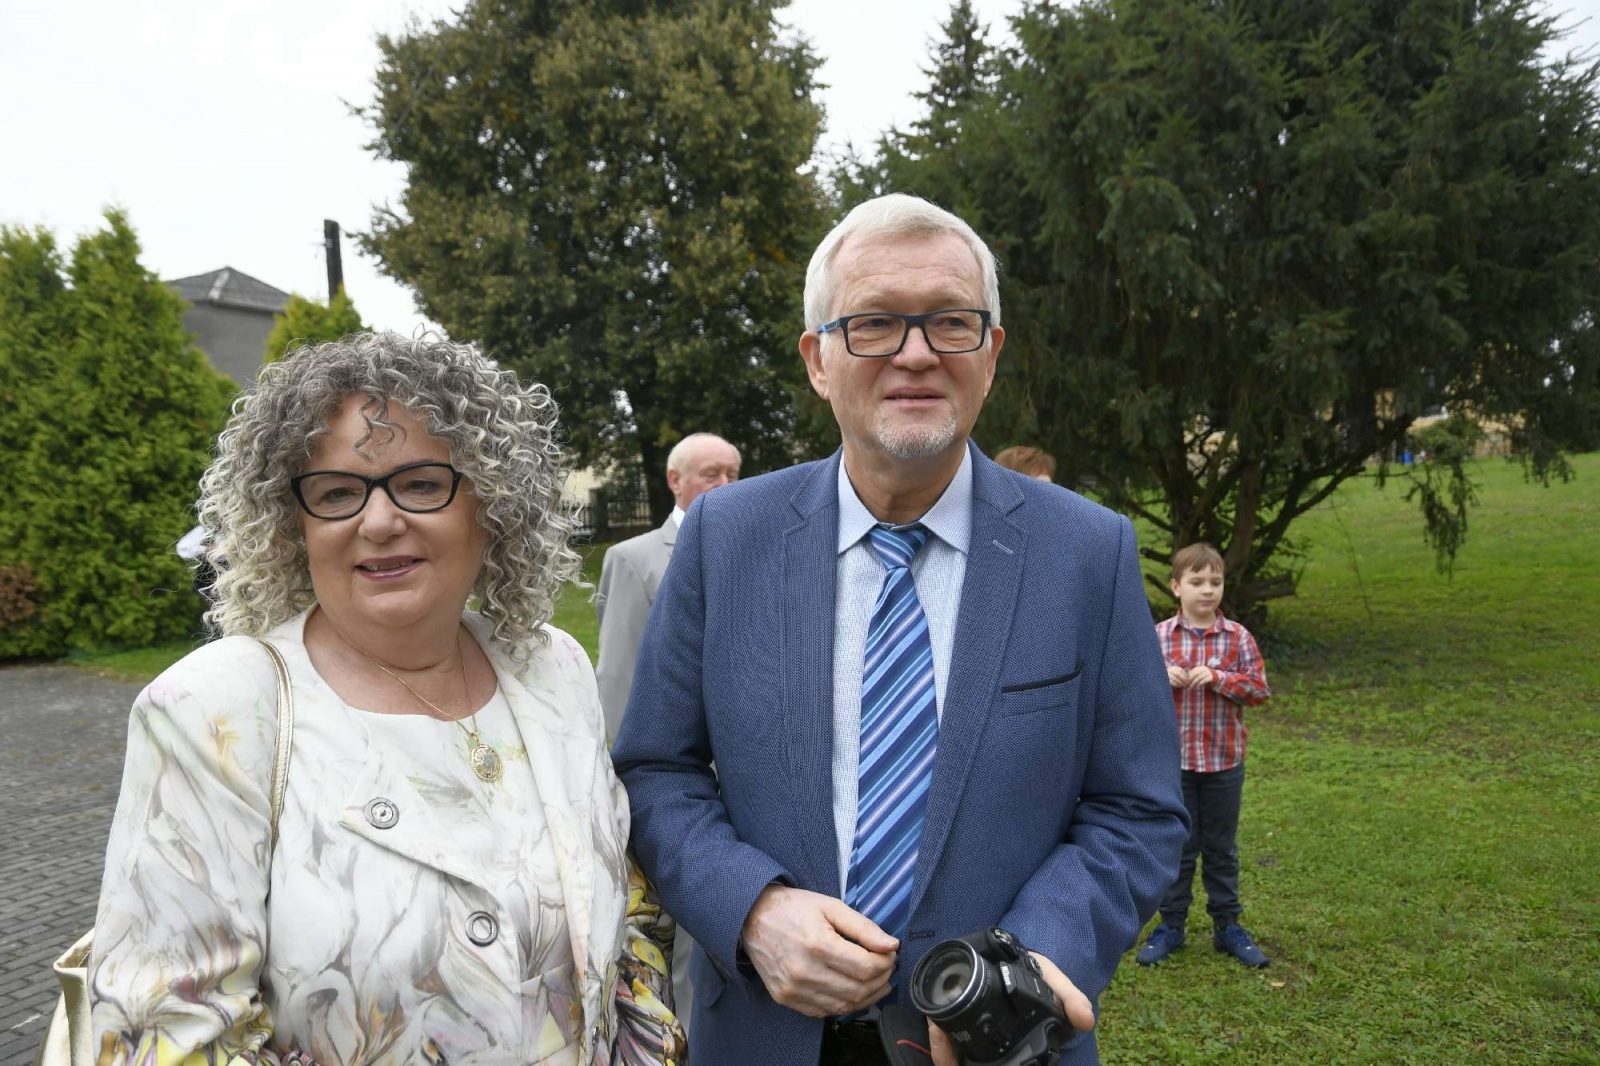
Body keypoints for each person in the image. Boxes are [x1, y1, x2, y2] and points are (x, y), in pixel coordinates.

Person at [612, 194, 1188, 1066]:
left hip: (998, 1044)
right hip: (768, 1035)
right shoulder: (727, 540)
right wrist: (754, 910)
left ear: (990, 354)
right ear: (817, 359)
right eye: (876, 322)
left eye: (951, 323)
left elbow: (1138, 809)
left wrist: (1026, 966)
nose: (916, 354)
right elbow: (656, 771)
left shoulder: (1086, 551)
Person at [90, 333, 684, 1065]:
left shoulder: (549, 667)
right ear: (294, 523)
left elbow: (627, 924)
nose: (377, 522)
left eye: (421, 482)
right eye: (338, 492)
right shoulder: (209, 713)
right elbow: (160, 1036)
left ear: (491, 505)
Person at [1136, 542, 1272, 969]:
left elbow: (1258, 690)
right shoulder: (1156, 638)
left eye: (1215, 581)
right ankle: (1170, 927)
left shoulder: (1237, 638)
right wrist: (1161, 678)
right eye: (1197, 582)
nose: (1207, 590)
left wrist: (1219, 677)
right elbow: (1131, 691)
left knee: (1221, 849)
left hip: (1223, 763)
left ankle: (1227, 926)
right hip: (1172, 766)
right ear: (1177, 587)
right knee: (1178, 849)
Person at [596, 432, 741, 739]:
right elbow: (619, 675)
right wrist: (641, 770)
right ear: (675, 481)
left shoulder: (755, 551)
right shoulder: (632, 560)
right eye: (711, 475)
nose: (727, 485)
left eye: (733, 475)